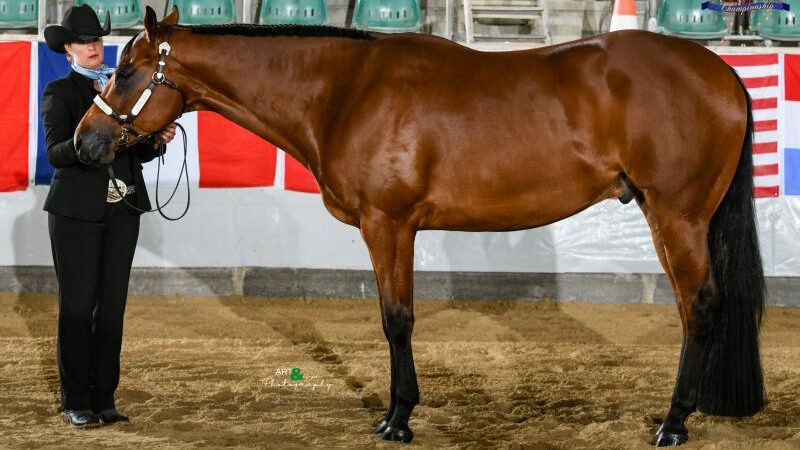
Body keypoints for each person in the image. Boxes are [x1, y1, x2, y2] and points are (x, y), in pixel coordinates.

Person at [42, 4, 177, 428]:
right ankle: (75, 400)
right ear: (69, 49)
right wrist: (90, 135)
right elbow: (56, 153)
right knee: (79, 308)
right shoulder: (60, 93)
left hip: (124, 209)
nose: (93, 47)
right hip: (76, 212)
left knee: (112, 310)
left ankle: (105, 398)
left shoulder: (124, 87)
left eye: (97, 40)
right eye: (84, 41)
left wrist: (158, 140)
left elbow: (136, 150)